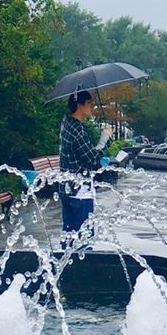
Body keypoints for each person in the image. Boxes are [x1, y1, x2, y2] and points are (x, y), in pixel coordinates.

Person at [58, 89, 110, 245]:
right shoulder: (78, 130)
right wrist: (105, 138)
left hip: (66, 189)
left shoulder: (67, 123)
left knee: (68, 237)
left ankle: (65, 267)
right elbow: (92, 159)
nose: (92, 106)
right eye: (89, 103)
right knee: (84, 239)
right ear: (79, 105)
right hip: (80, 192)